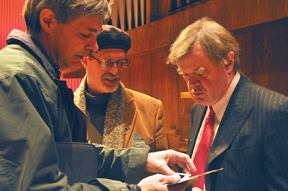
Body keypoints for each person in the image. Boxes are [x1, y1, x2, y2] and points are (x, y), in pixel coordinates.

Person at [0, 0, 197, 190]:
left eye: (121, 63)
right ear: (48, 21)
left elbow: (77, 157)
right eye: (86, 34)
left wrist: (142, 159)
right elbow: (39, 187)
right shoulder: (18, 77)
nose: (94, 46)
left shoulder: (37, 74)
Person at [167, 17, 288, 191]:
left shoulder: (274, 110)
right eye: (185, 74)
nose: (192, 85)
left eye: (200, 72)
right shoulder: (198, 109)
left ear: (228, 62)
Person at [74, 25, 168, 151]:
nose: (115, 71)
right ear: (85, 60)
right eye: (107, 62)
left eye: (121, 63)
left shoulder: (152, 109)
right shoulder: (65, 107)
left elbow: (162, 166)